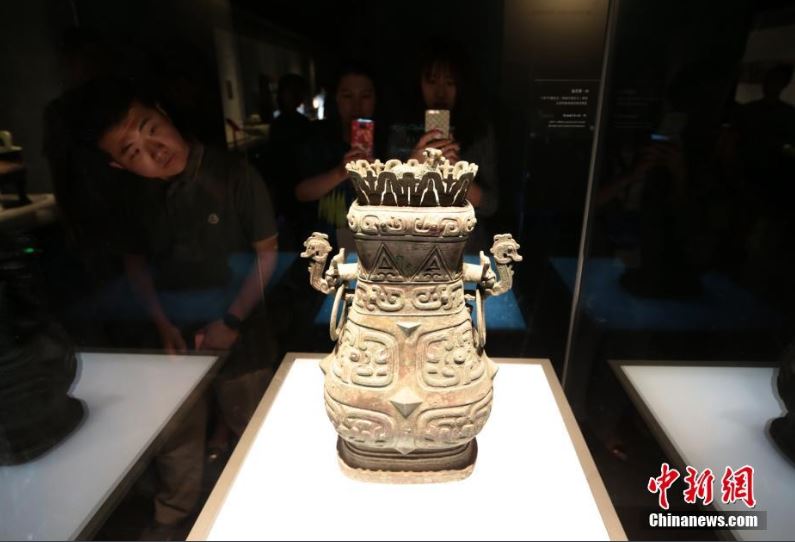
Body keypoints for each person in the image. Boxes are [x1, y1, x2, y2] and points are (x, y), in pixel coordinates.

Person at [67, 76, 279, 533]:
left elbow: (266, 254)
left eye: (150, 128)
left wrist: (231, 321)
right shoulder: (134, 198)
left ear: (163, 112)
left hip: (244, 336)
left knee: (256, 429)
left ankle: (266, 519)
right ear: (118, 164)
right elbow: (136, 264)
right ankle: (172, 521)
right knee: (176, 439)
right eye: (132, 151)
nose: (153, 150)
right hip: (175, 342)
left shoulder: (233, 173)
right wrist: (162, 324)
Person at [394, 41, 499, 220]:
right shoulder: (402, 130)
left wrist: (458, 178)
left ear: (461, 86)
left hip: (462, 232)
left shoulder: (479, 131)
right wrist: (412, 165)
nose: (440, 93)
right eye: (432, 82)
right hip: (413, 230)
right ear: (419, 83)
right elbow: (386, 198)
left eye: (450, 83)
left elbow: (491, 204)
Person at [294, 61, 382, 248]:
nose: (357, 106)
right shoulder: (318, 141)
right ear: (336, 99)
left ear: (375, 99)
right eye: (347, 96)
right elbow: (301, 193)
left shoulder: (388, 144)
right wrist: (340, 173)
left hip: (374, 246)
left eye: (365, 96)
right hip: (327, 248)